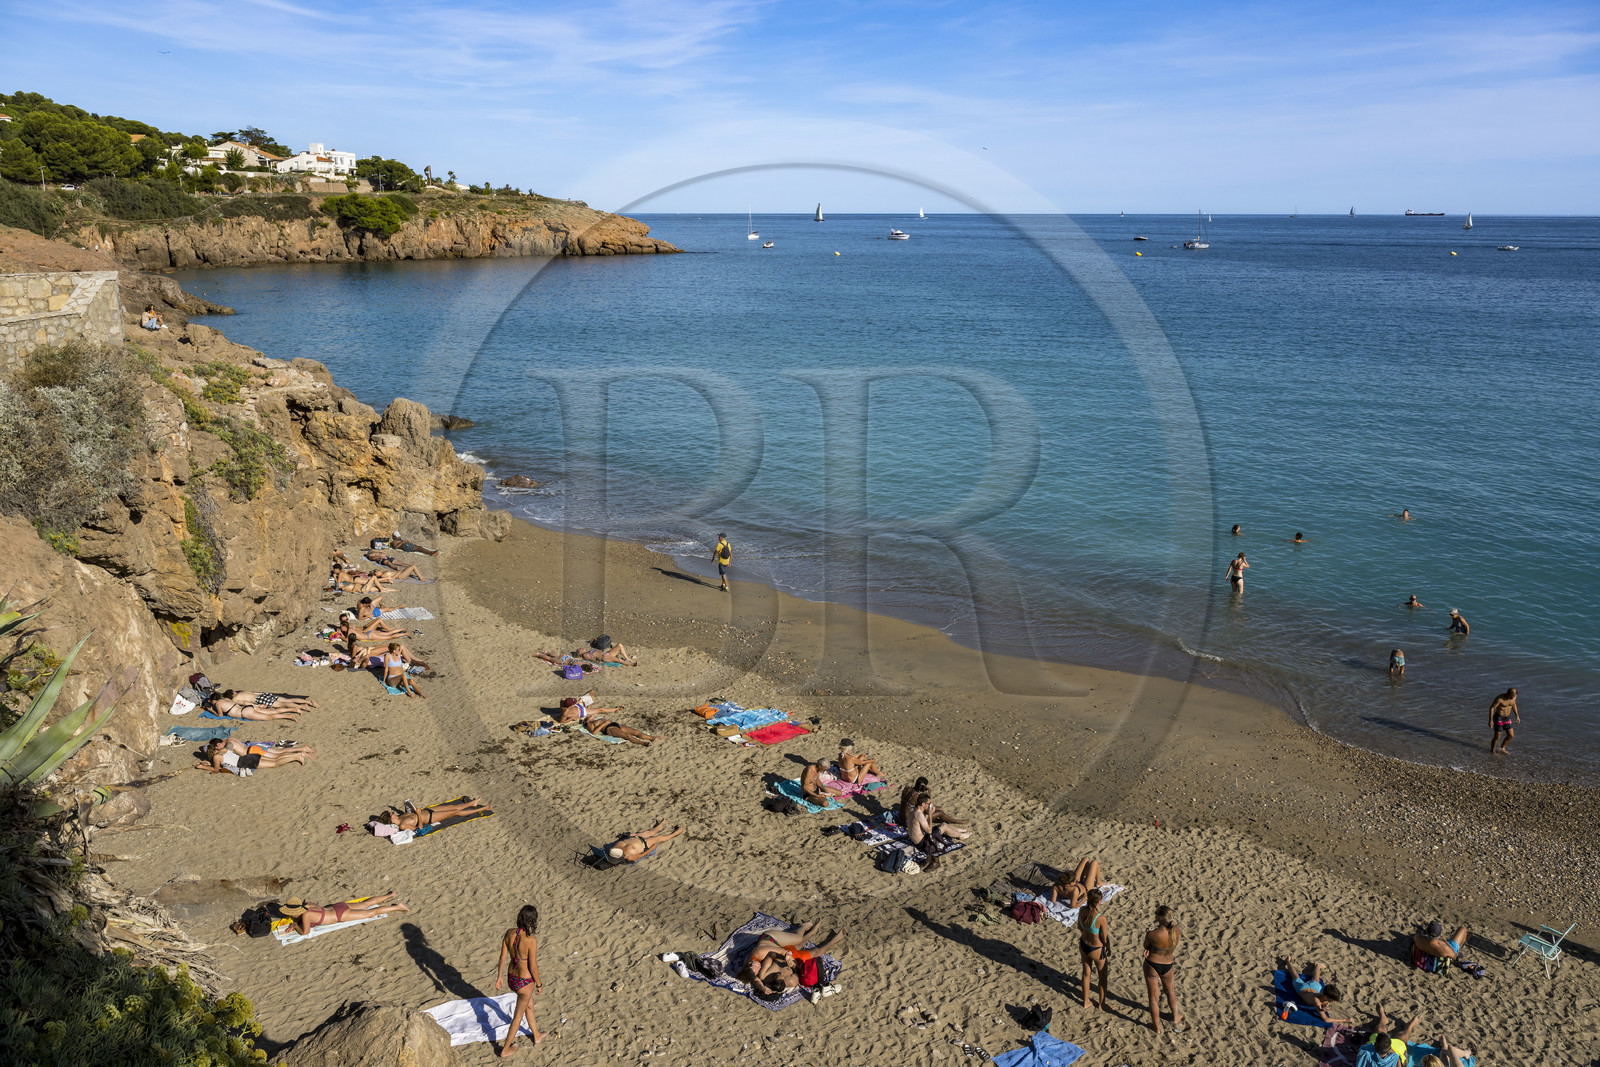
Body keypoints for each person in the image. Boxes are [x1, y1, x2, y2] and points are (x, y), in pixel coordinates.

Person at [738, 920, 843, 999]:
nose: (758, 967)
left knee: (798, 940)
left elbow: (773, 953)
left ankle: (803, 928)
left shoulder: (759, 956)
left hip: (773, 941)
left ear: (749, 964)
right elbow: (754, 978)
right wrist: (762, 988)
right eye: (756, 970)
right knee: (814, 951)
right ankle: (835, 939)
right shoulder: (786, 981)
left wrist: (787, 956)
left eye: (755, 966)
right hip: (790, 957)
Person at [494, 904, 546, 1057]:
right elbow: (533, 966)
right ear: (532, 921)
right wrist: (539, 983)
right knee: (518, 1016)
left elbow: (503, 957)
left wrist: (499, 977)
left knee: (529, 1004)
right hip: (525, 982)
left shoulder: (509, 933)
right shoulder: (531, 940)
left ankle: (536, 1035)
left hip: (512, 979)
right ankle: (505, 1049)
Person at [279, 892, 410, 936]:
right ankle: (390, 895)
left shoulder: (306, 916)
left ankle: (398, 907)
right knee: (365, 904)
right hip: (337, 906)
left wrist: (295, 926)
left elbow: (305, 932)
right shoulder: (308, 903)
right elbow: (315, 913)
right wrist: (297, 922)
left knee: (370, 913)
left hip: (340, 915)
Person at [1142, 905, 1184, 1035]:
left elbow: (1146, 945)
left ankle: (1156, 1027)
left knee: (1153, 998)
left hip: (1152, 964)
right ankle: (1175, 1016)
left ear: (1160, 917)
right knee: (1170, 991)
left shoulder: (1153, 934)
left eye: (1156, 914)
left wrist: (1148, 946)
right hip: (1168, 964)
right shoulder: (1176, 931)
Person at [1283, 956, 1354, 1025]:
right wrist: (1346, 1020)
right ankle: (1288, 961)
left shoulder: (1324, 995)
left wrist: (1324, 1006)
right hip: (1302, 988)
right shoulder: (1316, 1000)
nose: (1334, 1001)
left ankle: (1318, 966)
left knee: (1316, 978)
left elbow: (1325, 1002)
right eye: (1332, 1000)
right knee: (1295, 975)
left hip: (1314, 989)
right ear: (1326, 997)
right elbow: (1326, 1019)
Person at [197, 737, 316, 774]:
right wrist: (210, 762)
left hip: (247, 759)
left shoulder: (219, 754)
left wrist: (203, 767)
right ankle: (300, 751)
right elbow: (224, 759)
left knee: (275, 761)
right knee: (278, 755)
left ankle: (297, 755)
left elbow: (216, 769)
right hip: (250, 753)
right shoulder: (225, 746)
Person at [1078, 888, 1111, 1012]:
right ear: (1100, 901)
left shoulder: (1082, 911)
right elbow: (1104, 937)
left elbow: (1079, 927)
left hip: (1083, 944)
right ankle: (1102, 1004)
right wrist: (1108, 947)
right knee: (1102, 977)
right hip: (1096, 948)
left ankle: (1086, 1001)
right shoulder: (1100, 918)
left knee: (1086, 974)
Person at [377, 797, 491, 832]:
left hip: (428, 811)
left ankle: (472, 803)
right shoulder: (402, 825)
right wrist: (419, 814)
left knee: (451, 807)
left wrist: (409, 807)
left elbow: (410, 814)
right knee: (456, 812)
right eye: (391, 814)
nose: (393, 813)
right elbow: (419, 828)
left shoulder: (401, 817)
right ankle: (483, 809)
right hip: (429, 817)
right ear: (391, 820)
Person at [605, 821, 683, 862]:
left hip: (635, 837)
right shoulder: (629, 857)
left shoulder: (612, 850)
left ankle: (659, 827)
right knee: (659, 837)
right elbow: (641, 855)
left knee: (650, 832)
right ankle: (675, 833)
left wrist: (630, 835)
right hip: (644, 844)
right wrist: (651, 849)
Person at [203, 692, 304, 722]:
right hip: (247, 707)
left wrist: (212, 710)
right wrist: (257, 706)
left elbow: (220, 715)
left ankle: (288, 716)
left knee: (268, 717)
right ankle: (294, 709)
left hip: (244, 713)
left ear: (213, 700)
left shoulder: (217, 704)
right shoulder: (227, 699)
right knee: (270, 712)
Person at [583, 714, 661, 745]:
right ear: (587, 720)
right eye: (588, 716)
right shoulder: (590, 724)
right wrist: (604, 724)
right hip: (609, 728)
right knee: (627, 735)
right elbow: (594, 733)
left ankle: (653, 738)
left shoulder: (597, 719)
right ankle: (643, 743)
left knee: (636, 732)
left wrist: (606, 721)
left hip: (615, 724)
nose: (590, 715)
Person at [1489, 687, 1519, 753]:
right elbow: (1492, 708)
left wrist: (1517, 716)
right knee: (1497, 737)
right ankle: (1492, 751)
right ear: (1508, 694)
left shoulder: (1514, 697)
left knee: (1511, 735)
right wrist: (1490, 720)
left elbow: (1514, 705)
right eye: (1511, 696)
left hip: (1507, 718)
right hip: (1498, 718)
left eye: (1514, 696)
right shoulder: (1500, 699)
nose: (1513, 698)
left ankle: (1502, 748)